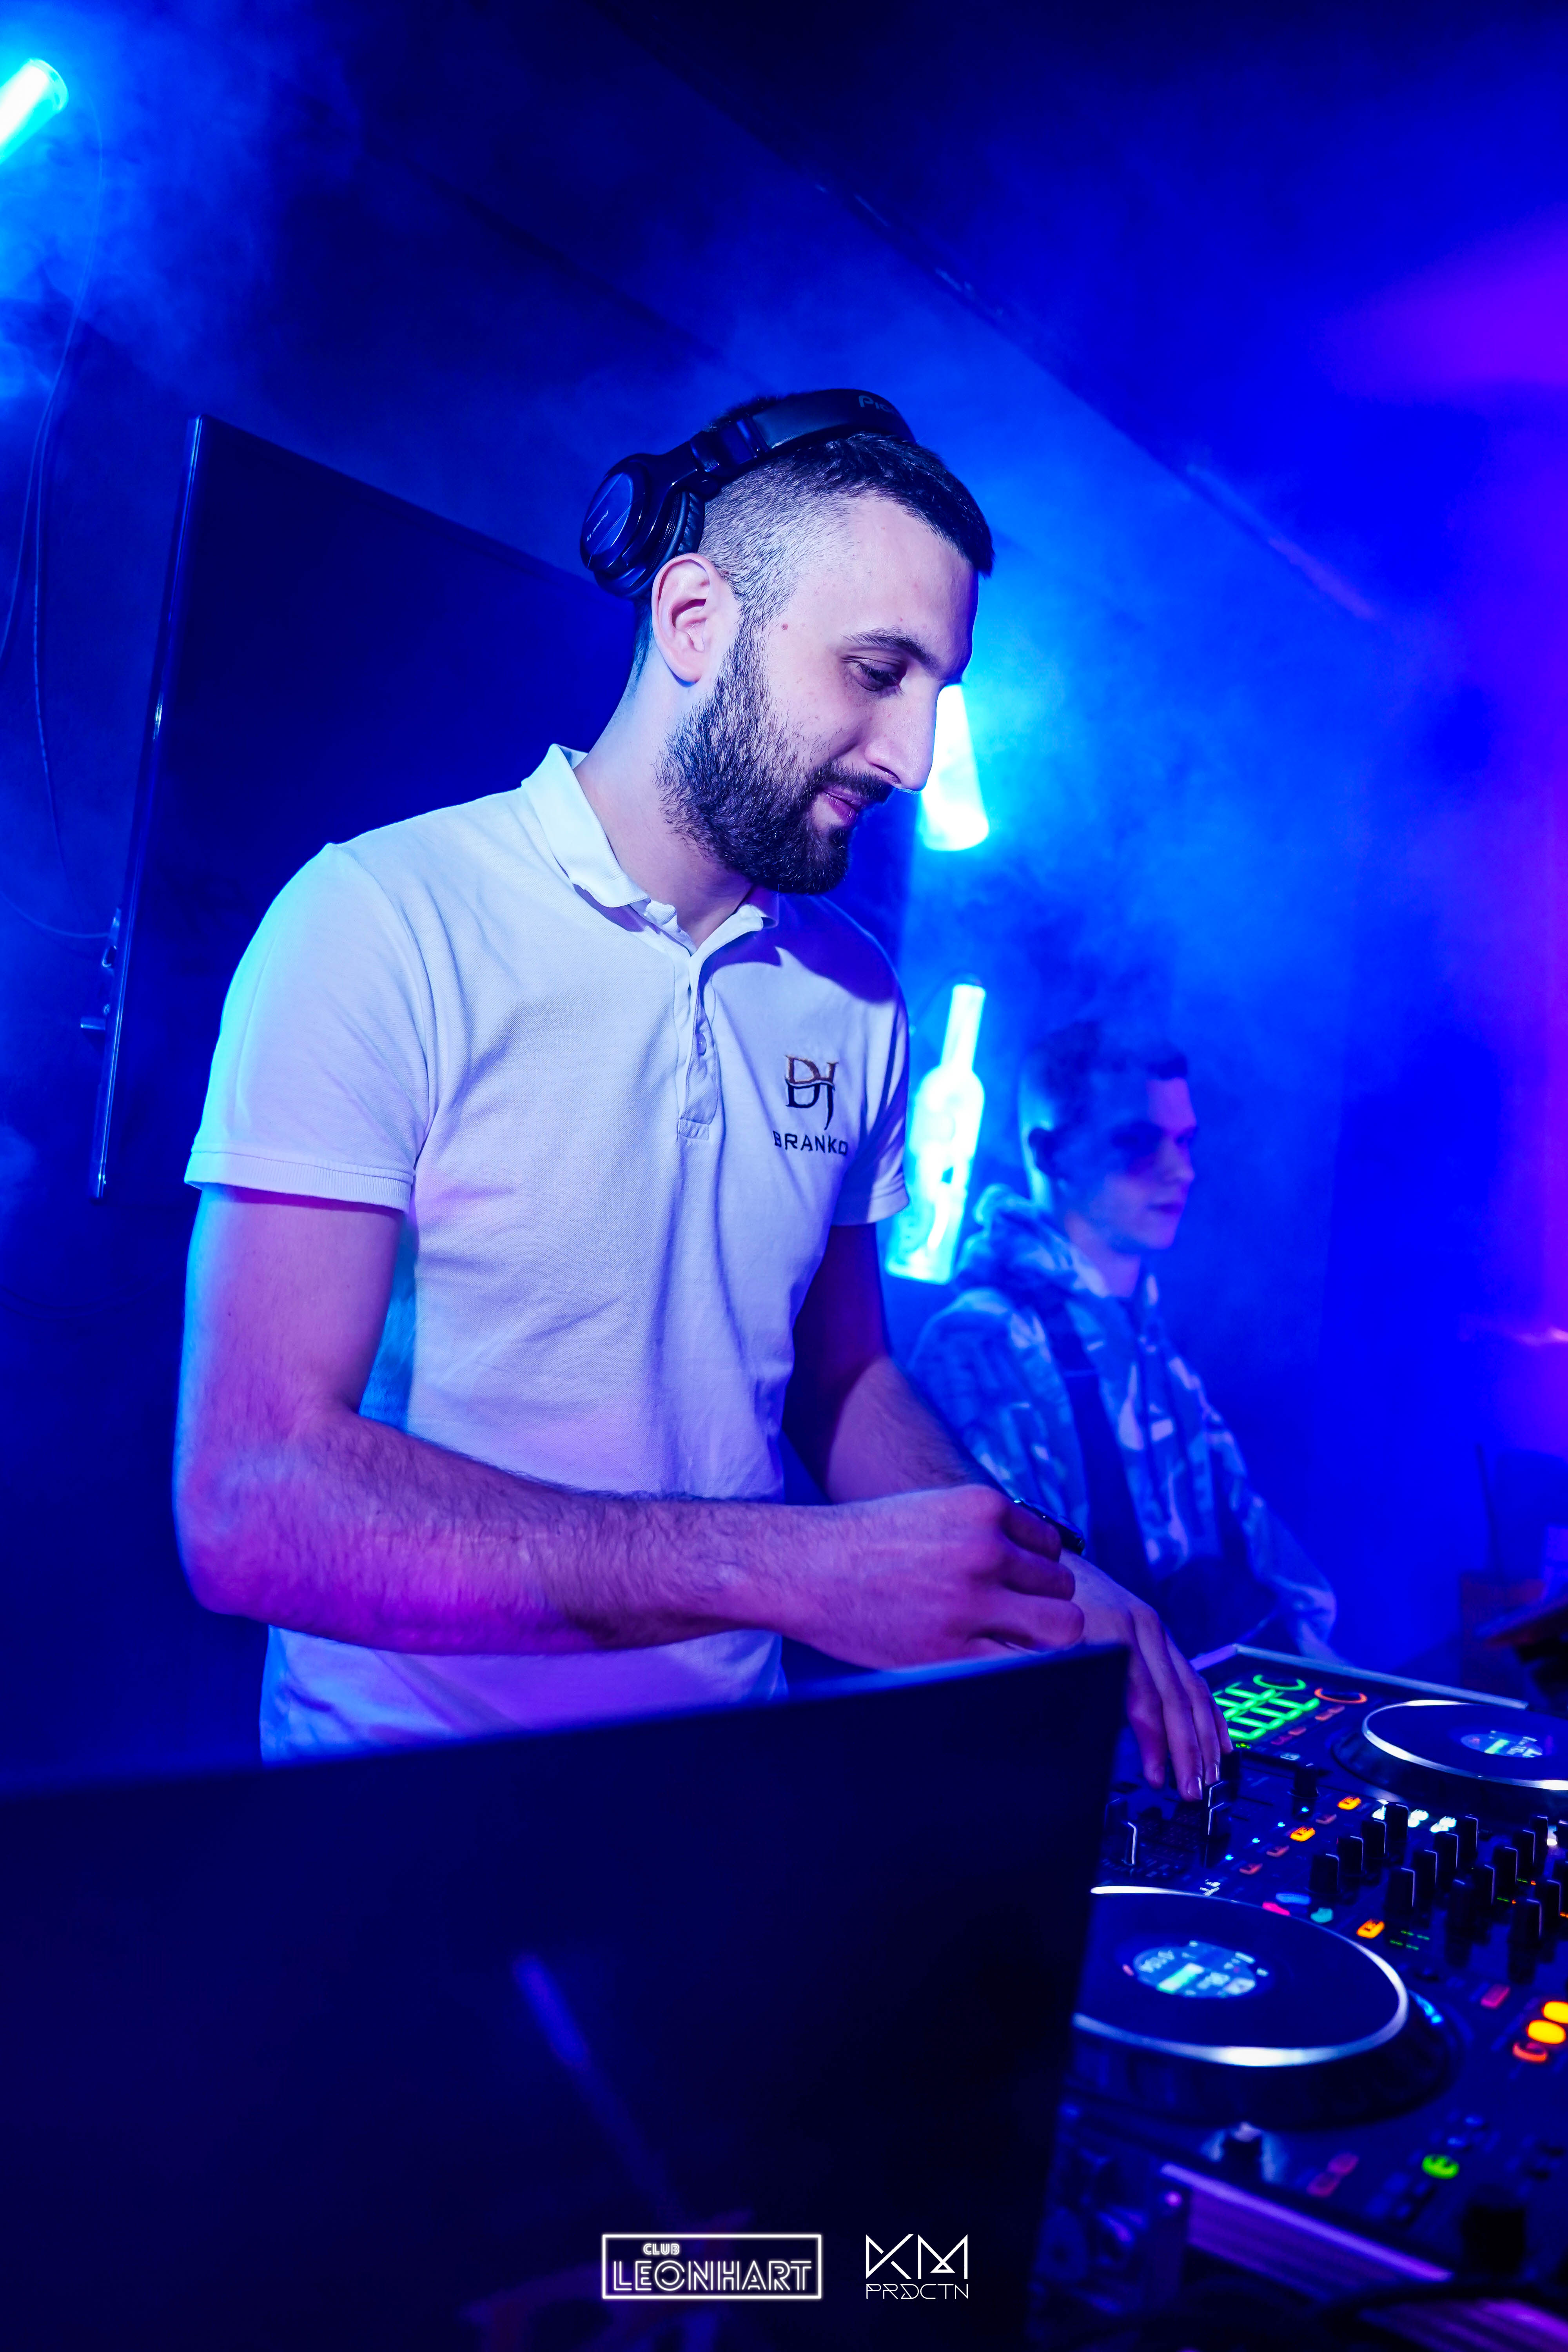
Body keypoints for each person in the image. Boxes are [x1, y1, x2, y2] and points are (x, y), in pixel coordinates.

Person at [173, 394, 1225, 1796]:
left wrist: (1038, 1577)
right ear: (691, 618)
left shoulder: (858, 994)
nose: (914, 758)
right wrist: (783, 1568)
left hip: (726, 1802)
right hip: (407, 1823)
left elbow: (843, 1381)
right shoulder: (381, 921)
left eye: (938, 692)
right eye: (877, 671)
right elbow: (250, 1503)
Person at [910, 1022, 1337, 1660]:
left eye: (1186, 1142)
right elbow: (1007, 1609)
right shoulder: (978, 1346)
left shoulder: (1158, 1354)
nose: (1181, 1170)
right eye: (1137, 1141)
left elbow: (1271, 1564)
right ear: (1051, 1154)